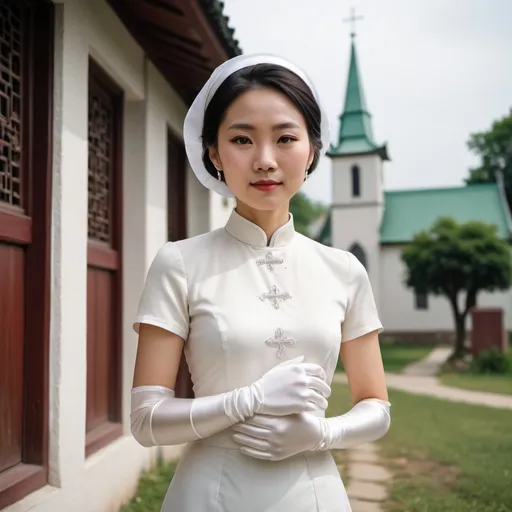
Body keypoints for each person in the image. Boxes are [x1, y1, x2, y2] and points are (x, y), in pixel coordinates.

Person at [130, 53, 391, 512]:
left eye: (286, 138)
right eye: (242, 139)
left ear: (312, 149)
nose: (265, 160)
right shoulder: (180, 263)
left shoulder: (345, 270)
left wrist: (323, 433)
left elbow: (377, 407)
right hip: (208, 494)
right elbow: (145, 420)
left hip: (315, 493)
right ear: (214, 153)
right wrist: (246, 400)